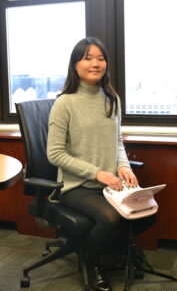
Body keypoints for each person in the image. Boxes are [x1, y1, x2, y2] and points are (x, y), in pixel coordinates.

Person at [47, 37, 155, 291]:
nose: (95, 63)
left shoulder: (111, 99)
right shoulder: (64, 103)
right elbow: (54, 154)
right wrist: (97, 173)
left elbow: (117, 141)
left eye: (100, 58)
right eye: (87, 58)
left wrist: (124, 166)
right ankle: (92, 263)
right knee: (111, 218)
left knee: (147, 213)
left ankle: (111, 248)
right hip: (76, 186)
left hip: (111, 183)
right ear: (75, 65)